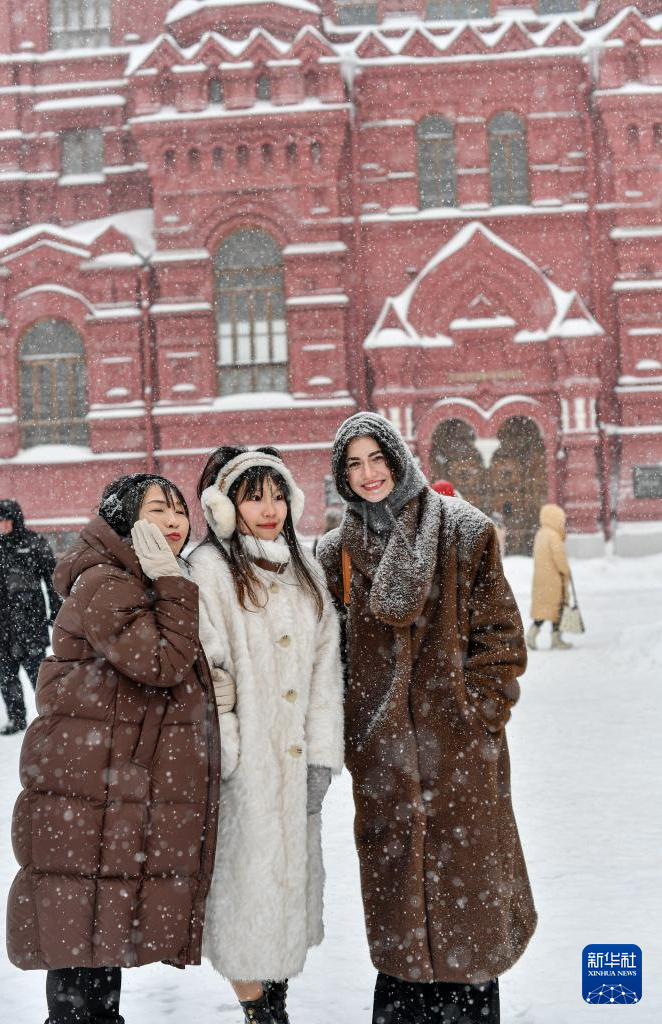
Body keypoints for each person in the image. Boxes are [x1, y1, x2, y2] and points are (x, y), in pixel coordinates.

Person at [317, 412, 536, 1024]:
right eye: (353, 464)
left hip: (462, 759)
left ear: (398, 458)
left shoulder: (465, 532)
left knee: (469, 914)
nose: (367, 475)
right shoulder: (335, 553)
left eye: (376, 459)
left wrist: (475, 716)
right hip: (382, 763)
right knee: (399, 923)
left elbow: (500, 640)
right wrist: (360, 736)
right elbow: (330, 657)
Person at [6, 473, 224, 1024]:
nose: (175, 521)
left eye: (180, 510)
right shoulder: (111, 580)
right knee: (82, 942)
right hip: (86, 789)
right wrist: (174, 582)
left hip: (99, 783)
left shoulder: (129, 576)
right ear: (125, 517)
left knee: (92, 938)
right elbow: (160, 663)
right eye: (159, 509)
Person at [190, 446, 344, 1024]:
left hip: (297, 763)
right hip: (243, 771)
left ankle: (274, 1003)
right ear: (227, 506)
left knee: (285, 898)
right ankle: (259, 1010)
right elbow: (208, 658)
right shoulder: (209, 568)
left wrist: (322, 757)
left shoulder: (305, 568)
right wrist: (229, 752)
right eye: (254, 496)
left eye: (278, 494)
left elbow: (327, 666)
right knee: (241, 898)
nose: (270, 507)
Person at [0, 499, 61, 735]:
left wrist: (56, 609)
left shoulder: (33, 543)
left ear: (16, 520)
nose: (2, 525)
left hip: (30, 623)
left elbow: (52, 580)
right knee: (6, 676)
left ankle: (52, 717)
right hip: (1, 625)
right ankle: (16, 718)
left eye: (6, 519)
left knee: (38, 676)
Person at [527, 503, 572, 651]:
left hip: (541, 579)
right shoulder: (553, 536)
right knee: (557, 609)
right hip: (554, 580)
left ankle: (532, 634)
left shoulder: (541, 533)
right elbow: (560, 559)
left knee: (544, 610)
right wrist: (567, 572)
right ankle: (556, 638)